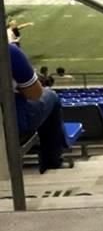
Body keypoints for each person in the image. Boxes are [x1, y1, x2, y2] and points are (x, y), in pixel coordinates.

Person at [8, 43, 67, 173]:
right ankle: (52, 162)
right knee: (50, 95)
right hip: (11, 126)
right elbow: (35, 94)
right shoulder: (8, 51)